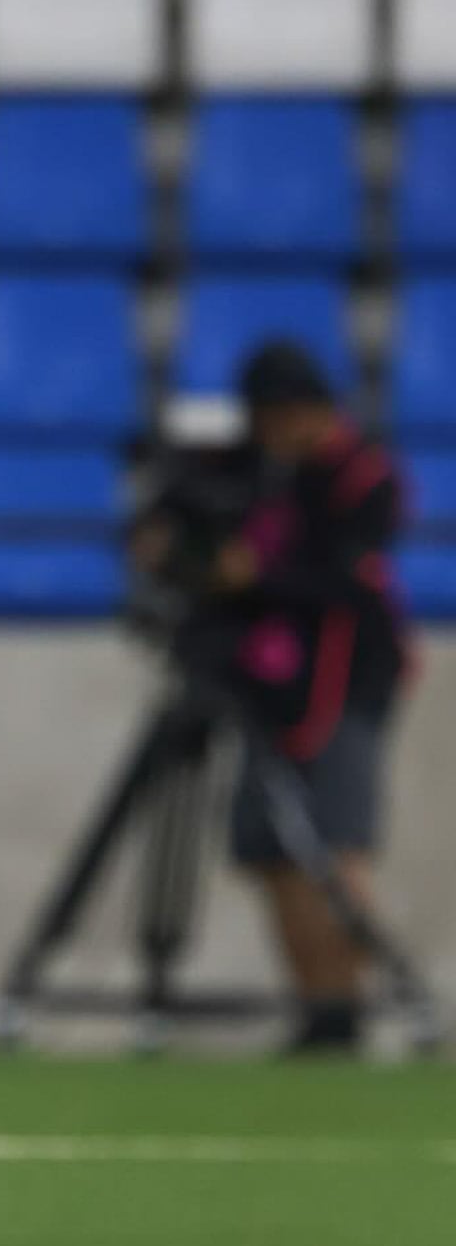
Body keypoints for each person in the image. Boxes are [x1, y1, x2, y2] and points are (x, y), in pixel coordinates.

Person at [215, 342, 411, 1053]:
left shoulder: (363, 477)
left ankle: (347, 1005)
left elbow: (344, 583)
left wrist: (258, 575)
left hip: (345, 687)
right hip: (271, 686)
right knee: (272, 851)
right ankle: (320, 1007)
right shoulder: (271, 475)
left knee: (335, 848)